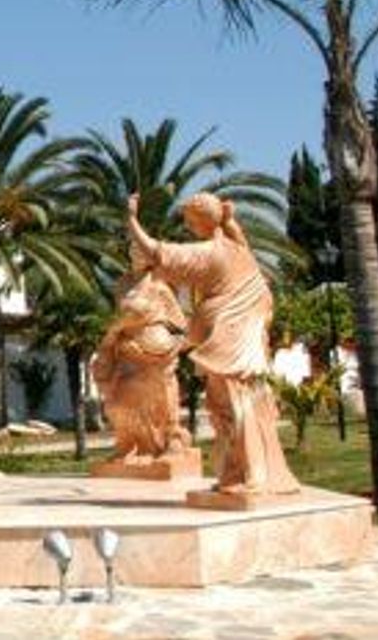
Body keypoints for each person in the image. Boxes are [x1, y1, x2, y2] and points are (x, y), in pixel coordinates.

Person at [125, 192, 299, 496]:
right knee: (237, 406)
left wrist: (131, 220)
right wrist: (229, 222)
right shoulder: (237, 248)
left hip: (229, 344)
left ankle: (252, 475)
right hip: (242, 341)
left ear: (199, 221)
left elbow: (156, 251)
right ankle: (244, 472)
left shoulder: (212, 253)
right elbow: (238, 238)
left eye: (190, 222)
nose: (189, 228)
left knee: (234, 406)